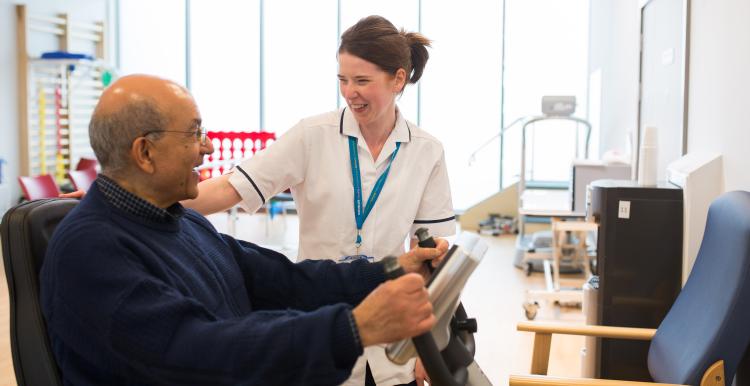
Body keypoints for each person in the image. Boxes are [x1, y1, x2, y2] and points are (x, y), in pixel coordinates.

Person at [40, 74, 449, 386]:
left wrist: (391, 269)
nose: (208, 147)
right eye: (195, 133)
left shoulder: (180, 222)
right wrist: (354, 328)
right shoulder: (91, 250)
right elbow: (194, 350)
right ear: (145, 153)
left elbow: (281, 279)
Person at [184, 15, 455, 386]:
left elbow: (432, 257)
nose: (349, 92)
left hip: (393, 345)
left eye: (362, 81)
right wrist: (143, 196)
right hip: (322, 329)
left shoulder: (427, 151)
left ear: (398, 79)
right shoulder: (312, 136)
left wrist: (431, 345)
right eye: (343, 80)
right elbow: (233, 187)